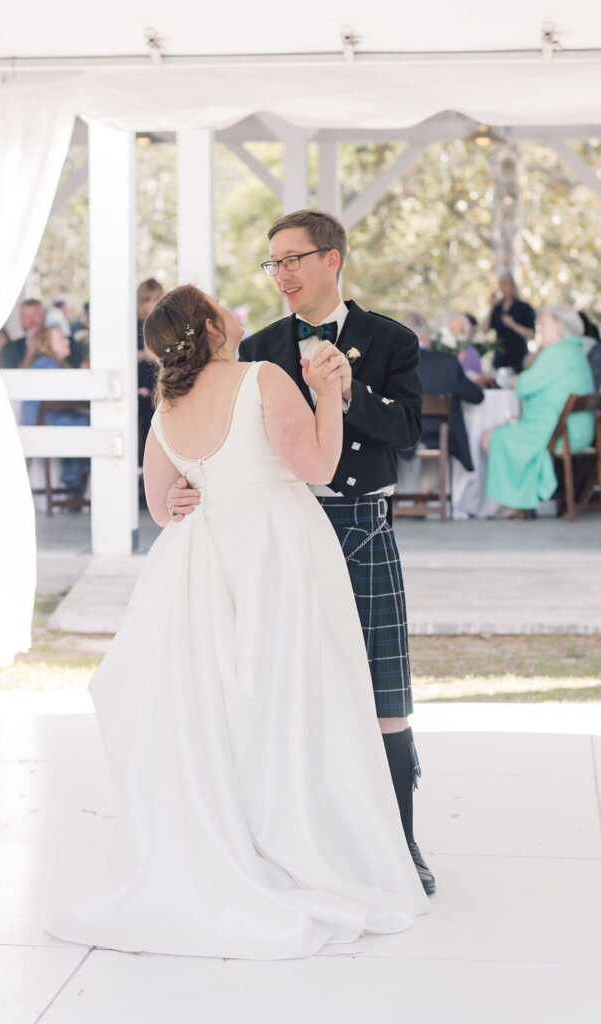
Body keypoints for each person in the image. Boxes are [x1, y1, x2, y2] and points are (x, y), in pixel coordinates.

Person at [47, 285, 427, 959]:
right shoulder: (263, 377)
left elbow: (163, 509)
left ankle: (240, 834)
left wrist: (194, 488)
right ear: (214, 324)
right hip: (275, 550)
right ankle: (296, 840)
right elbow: (317, 464)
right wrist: (330, 399)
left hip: (199, 563)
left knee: (221, 706)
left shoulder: (166, 402)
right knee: (290, 698)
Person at [167, 210, 434, 896]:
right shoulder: (254, 348)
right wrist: (179, 491)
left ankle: (399, 846)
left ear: (331, 259)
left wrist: (348, 390)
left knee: (380, 691)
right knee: (283, 687)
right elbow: (216, 432)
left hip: (359, 529)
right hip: (282, 533)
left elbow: (407, 430)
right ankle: (288, 841)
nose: (281, 274)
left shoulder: (391, 339)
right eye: (273, 263)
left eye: (293, 259)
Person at [482, 304, 595, 515]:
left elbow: (523, 387)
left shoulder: (555, 352)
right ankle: (520, 500)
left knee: (490, 438)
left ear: (558, 326)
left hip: (559, 432)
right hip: (578, 430)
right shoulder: (574, 350)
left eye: (543, 324)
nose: (539, 329)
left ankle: (518, 501)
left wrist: (515, 380)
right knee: (507, 429)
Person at [399, 312, 483, 485]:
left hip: (402, 435)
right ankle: (425, 496)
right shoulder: (447, 363)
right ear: (427, 334)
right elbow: (477, 396)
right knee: (438, 434)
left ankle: (399, 498)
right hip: (437, 436)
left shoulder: (394, 364)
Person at [21, 327, 90, 496]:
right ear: (47, 344)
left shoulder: (48, 362)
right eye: (60, 338)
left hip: (46, 420)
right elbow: (64, 397)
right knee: (93, 425)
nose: (67, 341)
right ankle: (86, 487)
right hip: (44, 423)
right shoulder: (46, 363)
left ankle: (75, 484)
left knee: (83, 422)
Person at [481, 273, 535, 373]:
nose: (502, 287)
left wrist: (513, 324)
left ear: (512, 285)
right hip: (500, 358)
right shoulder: (497, 308)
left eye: (505, 284)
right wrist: (491, 307)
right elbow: (484, 330)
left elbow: (532, 334)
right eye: (500, 284)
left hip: (518, 357)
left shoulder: (525, 308)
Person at [136, 278, 163, 457]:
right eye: (147, 300)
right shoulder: (134, 327)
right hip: (139, 384)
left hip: (159, 383)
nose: (152, 304)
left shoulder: (165, 325)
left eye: (156, 299)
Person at [0, 299, 45, 369]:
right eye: (26, 316)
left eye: (35, 315)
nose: (31, 320)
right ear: (20, 319)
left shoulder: (59, 346)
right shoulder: (9, 349)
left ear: (43, 316)